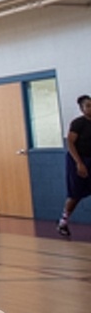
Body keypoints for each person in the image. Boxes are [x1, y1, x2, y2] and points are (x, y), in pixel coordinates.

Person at [58, 94, 91, 237]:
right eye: (88, 105)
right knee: (75, 194)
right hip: (78, 160)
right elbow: (70, 143)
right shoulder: (78, 123)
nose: (90, 108)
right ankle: (63, 223)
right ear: (82, 109)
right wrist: (79, 163)